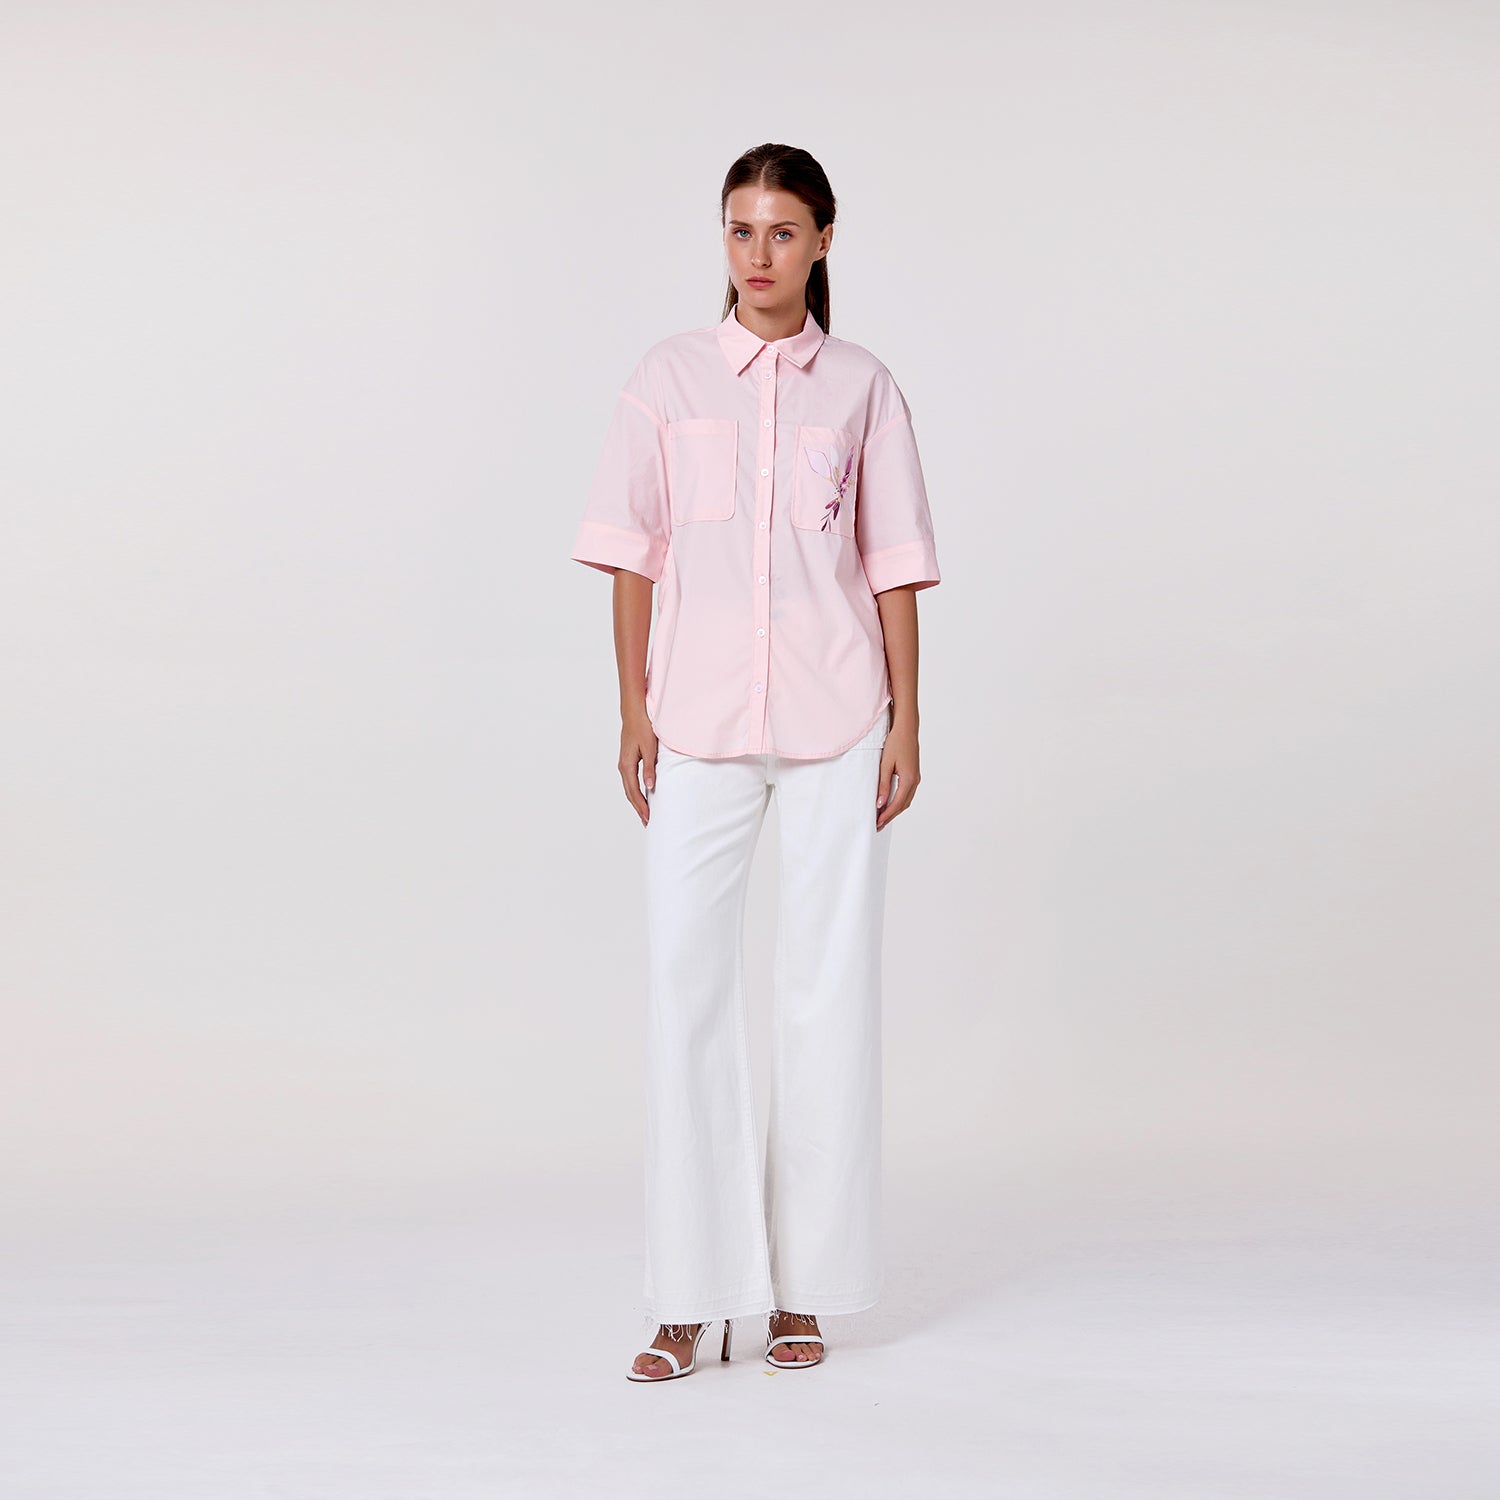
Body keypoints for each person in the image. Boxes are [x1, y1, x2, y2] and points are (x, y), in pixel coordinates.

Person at [569, 142, 941, 1382]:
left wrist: (908, 720)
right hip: (698, 719)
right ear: (721, 240)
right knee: (688, 987)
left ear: (823, 239)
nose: (760, 254)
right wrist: (633, 709)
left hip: (839, 719)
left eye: (784, 231)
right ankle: (691, 1293)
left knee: (827, 994)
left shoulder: (865, 388)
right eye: (741, 230)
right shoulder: (667, 379)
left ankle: (802, 1292)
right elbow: (635, 555)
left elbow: (892, 563)